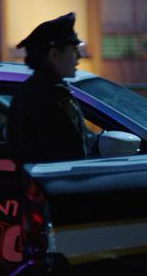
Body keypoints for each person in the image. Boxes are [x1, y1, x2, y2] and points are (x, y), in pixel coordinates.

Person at [7, 12, 92, 163]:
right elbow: (66, 153)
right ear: (54, 55)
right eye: (73, 50)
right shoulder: (48, 97)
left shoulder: (37, 91)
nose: (79, 57)